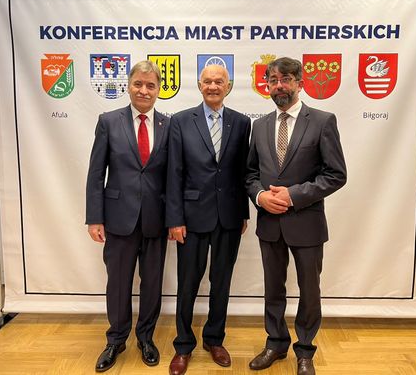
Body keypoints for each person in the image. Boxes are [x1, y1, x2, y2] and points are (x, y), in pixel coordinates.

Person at [246, 57, 347, 375]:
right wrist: (260, 196)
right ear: (267, 85)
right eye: (273, 80)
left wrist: (294, 196)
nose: (279, 86)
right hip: (270, 224)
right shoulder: (259, 126)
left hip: (307, 223)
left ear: (300, 83)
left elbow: (336, 175)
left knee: (309, 290)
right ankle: (276, 343)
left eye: (286, 79)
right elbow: (250, 174)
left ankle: (305, 350)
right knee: (273, 289)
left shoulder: (322, 121)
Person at [166, 64, 251, 375]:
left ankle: (214, 339)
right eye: (208, 81)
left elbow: (243, 172)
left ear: (228, 86)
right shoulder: (180, 120)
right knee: (188, 282)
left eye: (219, 81)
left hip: (229, 216)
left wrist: (244, 212)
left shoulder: (241, 122)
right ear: (199, 85)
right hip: (190, 217)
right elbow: (174, 173)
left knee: (222, 282)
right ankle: (183, 345)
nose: (213, 86)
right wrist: (174, 218)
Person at [85, 60, 170, 372]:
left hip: (156, 220)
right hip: (118, 219)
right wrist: (95, 218)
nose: (144, 90)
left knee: (152, 284)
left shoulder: (169, 125)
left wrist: (174, 218)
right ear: (129, 86)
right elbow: (96, 173)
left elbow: (173, 177)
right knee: (118, 283)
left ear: (158, 90)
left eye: (150, 85)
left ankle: (145, 338)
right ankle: (116, 339)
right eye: (138, 84)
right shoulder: (108, 121)